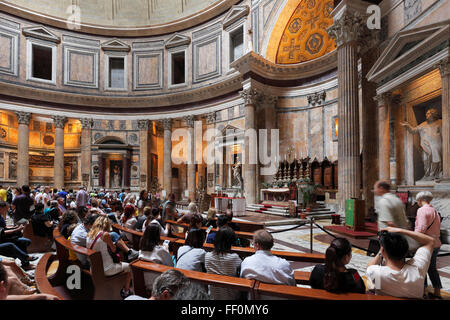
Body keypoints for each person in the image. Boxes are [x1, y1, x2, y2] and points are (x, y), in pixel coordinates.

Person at [366, 227, 435, 299]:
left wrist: (381, 250)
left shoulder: (376, 272)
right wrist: (401, 230)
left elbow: (370, 269)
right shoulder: (418, 268)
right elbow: (430, 241)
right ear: (406, 252)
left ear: (383, 251)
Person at [86, 216, 133, 299]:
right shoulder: (105, 234)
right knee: (130, 267)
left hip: (94, 268)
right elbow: (114, 250)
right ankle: (126, 291)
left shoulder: (89, 235)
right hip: (107, 268)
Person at [414, 191, 442, 299]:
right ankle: (437, 292)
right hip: (435, 243)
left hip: (424, 243)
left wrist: (413, 236)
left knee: (422, 267)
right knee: (432, 268)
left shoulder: (421, 210)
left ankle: (423, 291)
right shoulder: (435, 211)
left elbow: (421, 229)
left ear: (420, 200)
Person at [205, 227, 242, 300]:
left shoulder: (207, 256)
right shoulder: (234, 258)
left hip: (213, 295)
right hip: (230, 296)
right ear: (231, 242)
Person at [139, 224, 174, 291]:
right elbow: (171, 267)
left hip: (144, 282)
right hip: (159, 285)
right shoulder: (160, 251)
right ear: (157, 235)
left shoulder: (141, 250)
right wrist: (166, 251)